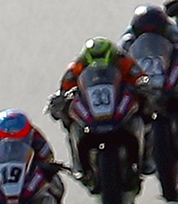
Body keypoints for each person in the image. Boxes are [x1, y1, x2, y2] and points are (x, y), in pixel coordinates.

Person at [50, 36, 158, 174]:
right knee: (69, 119)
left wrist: (143, 88)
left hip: (119, 103)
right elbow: (64, 89)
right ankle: (78, 161)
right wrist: (60, 101)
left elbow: (142, 79)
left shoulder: (125, 62)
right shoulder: (77, 67)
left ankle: (146, 156)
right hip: (91, 107)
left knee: (146, 112)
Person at [124, 2, 178, 144]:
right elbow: (120, 55)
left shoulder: (172, 32)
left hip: (166, 67)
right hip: (143, 75)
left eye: (154, 30)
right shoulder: (128, 38)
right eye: (145, 31)